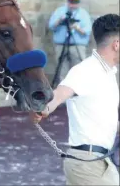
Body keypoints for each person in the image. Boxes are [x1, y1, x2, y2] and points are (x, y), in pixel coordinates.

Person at [31, 13, 120, 186]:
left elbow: (101, 118)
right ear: (116, 44)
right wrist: (45, 108)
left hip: (100, 162)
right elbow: (60, 93)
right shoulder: (86, 70)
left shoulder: (108, 73)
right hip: (87, 164)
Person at [48, 0, 92, 82]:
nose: (72, 5)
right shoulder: (60, 11)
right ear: (67, 2)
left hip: (77, 46)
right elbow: (51, 26)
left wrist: (76, 27)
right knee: (61, 70)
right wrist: (60, 20)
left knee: (79, 70)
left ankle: (78, 92)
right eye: (71, 3)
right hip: (61, 45)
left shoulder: (84, 14)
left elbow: (87, 31)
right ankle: (63, 91)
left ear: (78, 3)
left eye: (75, 3)